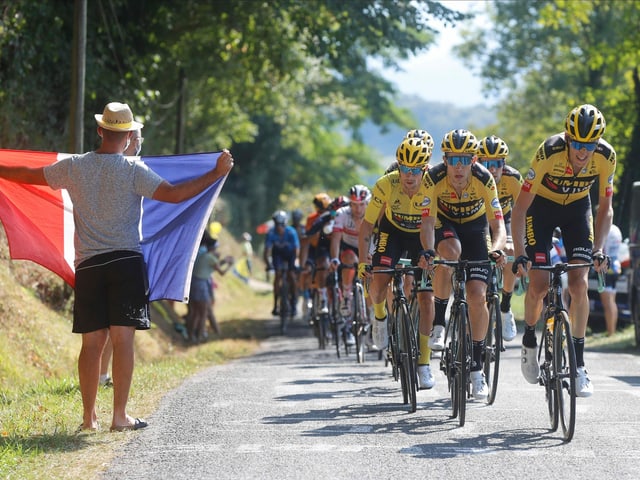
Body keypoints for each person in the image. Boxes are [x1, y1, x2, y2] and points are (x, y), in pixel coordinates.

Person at [0, 102, 234, 431]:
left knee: (91, 343)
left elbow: (26, 175)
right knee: (123, 340)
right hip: (125, 262)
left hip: (89, 266)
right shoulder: (132, 170)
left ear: (99, 130)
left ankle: (88, 419)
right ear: (126, 137)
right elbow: (176, 195)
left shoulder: (75, 167)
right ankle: (120, 417)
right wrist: (215, 173)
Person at [512, 104, 615, 398]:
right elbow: (520, 208)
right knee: (540, 284)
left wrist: (599, 249)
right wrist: (520, 253)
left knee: (579, 282)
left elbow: (605, 208)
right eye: (577, 144)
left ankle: (579, 366)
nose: (583, 152)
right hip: (541, 210)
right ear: (568, 139)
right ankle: (530, 339)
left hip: (577, 211)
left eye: (590, 145)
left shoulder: (607, 157)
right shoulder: (548, 151)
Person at [419, 129, 507, 400]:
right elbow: (426, 223)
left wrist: (497, 249)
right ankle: (439, 324)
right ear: (444, 160)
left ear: (474, 159)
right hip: (444, 225)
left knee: (478, 296)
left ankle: (477, 369)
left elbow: (497, 224)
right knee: (449, 253)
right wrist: (428, 250)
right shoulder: (431, 178)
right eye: (453, 160)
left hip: (475, 228)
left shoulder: (484, 177)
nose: (458, 167)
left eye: (464, 159)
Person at [358, 136, 437, 389]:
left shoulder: (431, 185)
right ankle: (380, 318)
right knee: (380, 277)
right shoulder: (385, 184)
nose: (409, 175)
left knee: (426, 298)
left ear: (424, 169)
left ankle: (424, 363)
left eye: (415, 170)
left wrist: (429, 252)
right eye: (404, 168)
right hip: (392, 233)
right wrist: (362, 261)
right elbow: (368, 226)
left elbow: (428, 225)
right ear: (398, 166)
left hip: (420, 235)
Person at [99, 127, 144, 387]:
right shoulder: (129, 169)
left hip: (108, 258)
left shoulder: (136, 170)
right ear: (128, 139)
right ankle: (102, 375)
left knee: (116, 329)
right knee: (109, 329)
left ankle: (105, 376)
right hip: (112, 257)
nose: (139, 144)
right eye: (137, 138)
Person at [477, 135, 523, 342]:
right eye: (486, 163)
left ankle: (505, 307)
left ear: (503, 164)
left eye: (497, 164)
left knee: (511, 251)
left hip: (504, 219)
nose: (491, 169)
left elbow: (525, 210)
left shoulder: (513, 178)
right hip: (479, 220)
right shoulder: (473, 177)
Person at [329, 184, 372, 346]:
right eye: (354, 205)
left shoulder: (373, 213)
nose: (358, 209)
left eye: (361, 205)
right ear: (349, 203)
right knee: (347, 258)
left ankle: (372, 316)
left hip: (368, 246)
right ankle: (346, 295)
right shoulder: (342, 214)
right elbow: (335, 239)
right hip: (349, 247)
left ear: (367, 203)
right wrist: (334, 258)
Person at [188, 236, 233, 342]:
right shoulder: (210, 257)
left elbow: (212, 265)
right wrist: (229, 265)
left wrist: (222, 261)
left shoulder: (202, 255)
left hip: (193, 283)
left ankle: (191, 336)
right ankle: (200, 336)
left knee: (194, 312)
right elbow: (221, 272)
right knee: (203, 313)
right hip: (201, 285)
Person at [264, 210, 300, 317]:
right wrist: (268, 264)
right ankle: (275, 305)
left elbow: (296, 249)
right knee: (277, 275)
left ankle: (293, 305)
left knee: (292, 277)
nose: (279, 227)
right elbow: (267, 251)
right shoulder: (271, 232)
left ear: (285, 224)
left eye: (282, 225)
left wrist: (293, 263)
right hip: (277, 255)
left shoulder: (291, 232)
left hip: (290, 255)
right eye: (277, 224)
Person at [600, 222, 623, 336]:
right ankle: (611, 330)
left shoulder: (605, 229)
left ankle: (610, 332)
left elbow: (601, 249)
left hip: (607, 267)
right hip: (616, 266)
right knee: (612, 301)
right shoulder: (616, 229)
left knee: (607, 302)